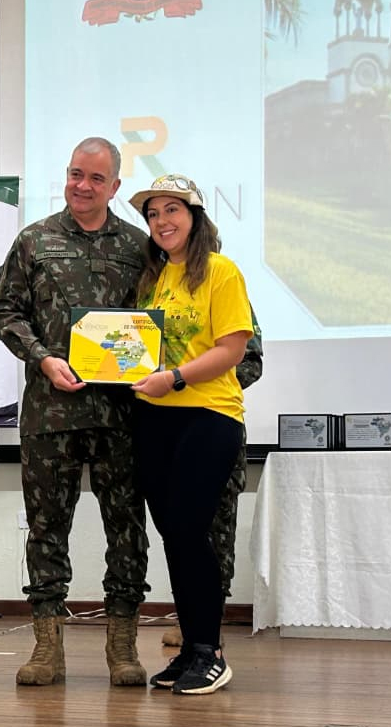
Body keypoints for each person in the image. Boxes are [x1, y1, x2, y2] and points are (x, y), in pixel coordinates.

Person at [0, 137, 150, 687]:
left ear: (115, 187)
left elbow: (156, 323)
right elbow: (6, 311)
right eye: (75, 174)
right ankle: (46, 647)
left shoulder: (138, 246)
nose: (82, 185)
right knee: (45, 531)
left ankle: (123, 647)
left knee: (126, 531)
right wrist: (41, 358)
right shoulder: (34, 241)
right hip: (49, 414)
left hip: (121, 417)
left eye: (95, 178)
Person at [128, 173, 254, 695]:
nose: (162, 222)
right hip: (157, 418)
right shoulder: (154, 279)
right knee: (174, 538)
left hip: (209, 414)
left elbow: (232, 349)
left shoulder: (221, 272)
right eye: (154, 214)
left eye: (172, 211)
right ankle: (191, 651)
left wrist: (174, 378)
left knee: (188, 531)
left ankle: (210, 651)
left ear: (195, 218)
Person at [161, 326, 262, 648]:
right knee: (175, 528)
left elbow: (250, 364)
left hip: (213, 420)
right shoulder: (155, 288)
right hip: (163, 422)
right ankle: (188, 614)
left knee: (214, 527)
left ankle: (207, 621)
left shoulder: (225, 289)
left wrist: (190, 380)